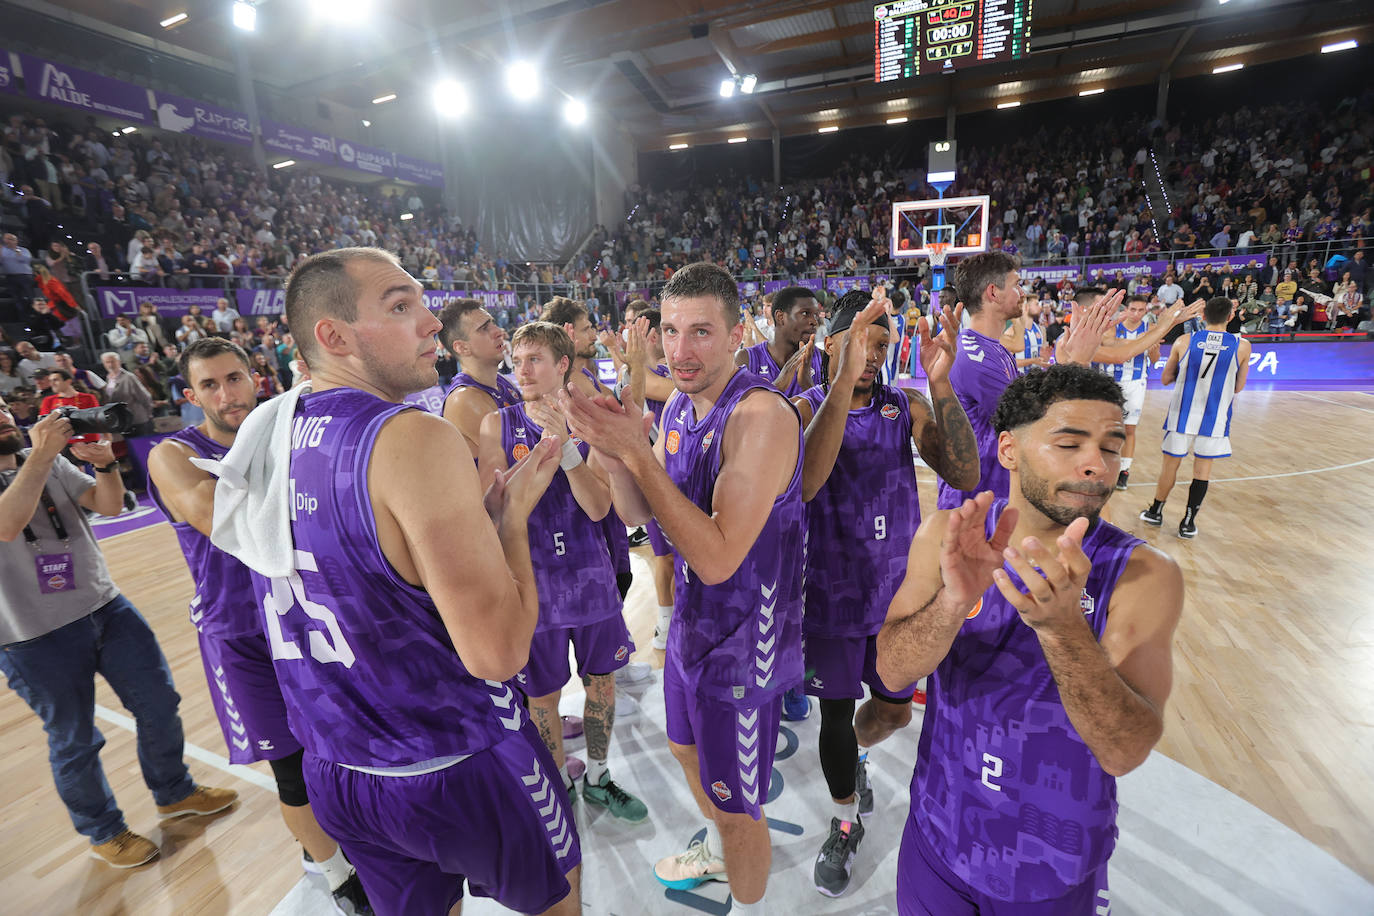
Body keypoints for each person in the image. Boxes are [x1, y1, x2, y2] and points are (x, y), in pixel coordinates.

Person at [203, 247, 581, 915]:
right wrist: (514, 520)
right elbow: (497, 655)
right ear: (334, 336)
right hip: (454, 760)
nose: (432, 322)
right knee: (559, 901)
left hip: (338, 773)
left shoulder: (266, 434)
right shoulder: (411, 436)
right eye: (401, 307)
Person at [877, 365, 1184, 915]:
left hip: (1052, 868)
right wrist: (952, 603)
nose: (1097, 464)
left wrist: (1063, 627)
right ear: (1009, 449)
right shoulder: (941, 537)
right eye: (1069, 443)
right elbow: (893, 673)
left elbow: (1123, 750)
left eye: (1112, 447)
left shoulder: (1143, 574)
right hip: (937, 837)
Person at [562, 262, 803, 914]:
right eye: (670, 330)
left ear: (737, 334)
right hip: (697, 627)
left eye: (700, 331)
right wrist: (613, 448)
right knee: (682, 747)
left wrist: (635, 451)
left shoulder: (759, 416)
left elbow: (721, 556)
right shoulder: (679, 408)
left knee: (739, 807)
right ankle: (722, 847)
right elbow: (641, 515)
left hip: (746, 647)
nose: (679, 349)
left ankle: (742, 882)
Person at [146, 338, 372, 913]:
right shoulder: (171, 454)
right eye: (210, 386)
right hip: (241, 633)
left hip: (305, 616)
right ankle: (338, 878)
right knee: (291, 770)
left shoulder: (284, 428)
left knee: (342, 749)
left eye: (235, 379)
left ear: (256, 377)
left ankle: (344, 842)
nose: (226, 395)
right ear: (191, 396)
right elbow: (211, 514)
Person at [792, 291, 979, 896]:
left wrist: (942, 384)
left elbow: (964, 473)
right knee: (835, 716)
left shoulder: (908, 405)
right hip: (829, 597)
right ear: (832, 345)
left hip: (900, 597)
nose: (872, 356)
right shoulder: (804, 409)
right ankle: (844, 820)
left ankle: (859, 759)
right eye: (861, 343)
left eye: (881, 344)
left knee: (894, 711)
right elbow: (801, 483)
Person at [0, 403, 238, 868]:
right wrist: (42, 457)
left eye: (4, 409)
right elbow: (9, 523)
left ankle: (174, 792)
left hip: (105, 607)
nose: (4, 417)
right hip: (32, 635)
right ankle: (103, 830)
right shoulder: (39, 460)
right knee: (75, 739)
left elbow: (107, 505)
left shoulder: (46, 459)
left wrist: (106, 463)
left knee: (159, 702)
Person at [478, 321, 647, 822]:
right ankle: (559, 789)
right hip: (534, 588)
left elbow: (598, 508)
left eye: (535, 360)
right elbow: (491, 512)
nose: (523, 370)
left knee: (602, 685)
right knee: (543, 697)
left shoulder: (591, 420)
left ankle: (597, 778)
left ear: (562, 366)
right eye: (518, 358)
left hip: (590, 579)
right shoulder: (497, 425)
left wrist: (566, 445)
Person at [1141, 297, 1251, 539]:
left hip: (1182, 415)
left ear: (1202, 316)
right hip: (1215, 417)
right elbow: (1239, 386)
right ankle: (1188, 523)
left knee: (1170, 466)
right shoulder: (1242, 346)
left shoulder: (1184, 341)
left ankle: (1156, 511)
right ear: (1230, 317)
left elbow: (1166, 378)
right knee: (1202, 472)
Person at [621, 308, 677, 649]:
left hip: (682, 473)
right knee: (665, 558)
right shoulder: (639, 376)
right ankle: (664, 622)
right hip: (656, 478)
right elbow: (674, 389)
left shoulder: (663, 369)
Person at [438, 298, 521, 456]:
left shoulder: (501, 382)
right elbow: (522, 456)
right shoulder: (464, 400)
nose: (498, 331)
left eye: (492, 323)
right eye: (484, 329)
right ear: (462, 347)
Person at [1093, 294, 1159, 490]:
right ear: (1126, 310)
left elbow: (1154, 359)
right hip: (1110, 381)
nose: (1136, 314)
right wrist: (1140, 342)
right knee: (1104, 428)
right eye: (1133, 309)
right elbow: (1109, 343)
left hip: (1136, 381)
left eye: (1141, 310)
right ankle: (1100, 466)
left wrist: (1152, 346)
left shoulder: (1150, 329)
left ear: (1145, 310)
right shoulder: (1114, 324)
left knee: (1129, 429)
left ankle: (1124, 471)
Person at [735, 285, 823, 399]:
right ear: (780, 316)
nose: (814, 321)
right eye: (805, 313)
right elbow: (735, 413)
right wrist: (780, 383)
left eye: (816, 315)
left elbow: (835, 415)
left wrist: (808, 386)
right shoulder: (746, 359)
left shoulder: (823, 359)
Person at [99, 351, 155, 436]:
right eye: (107, 362)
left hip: (137, 421)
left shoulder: (129, 377)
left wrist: (148, 414)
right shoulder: (108, 379)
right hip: (123, 422)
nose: (110, 364)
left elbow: (145, 396)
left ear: (119, 362)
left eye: (112, 361)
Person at [40, 369, 101, 444]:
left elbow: (97, 419)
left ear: (68, 381)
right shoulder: (48, 400)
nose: (52, 384)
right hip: (62, 443)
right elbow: (45, 423)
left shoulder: (88, 398)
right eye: (50, 381)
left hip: (88, 441)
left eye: (55, 380)